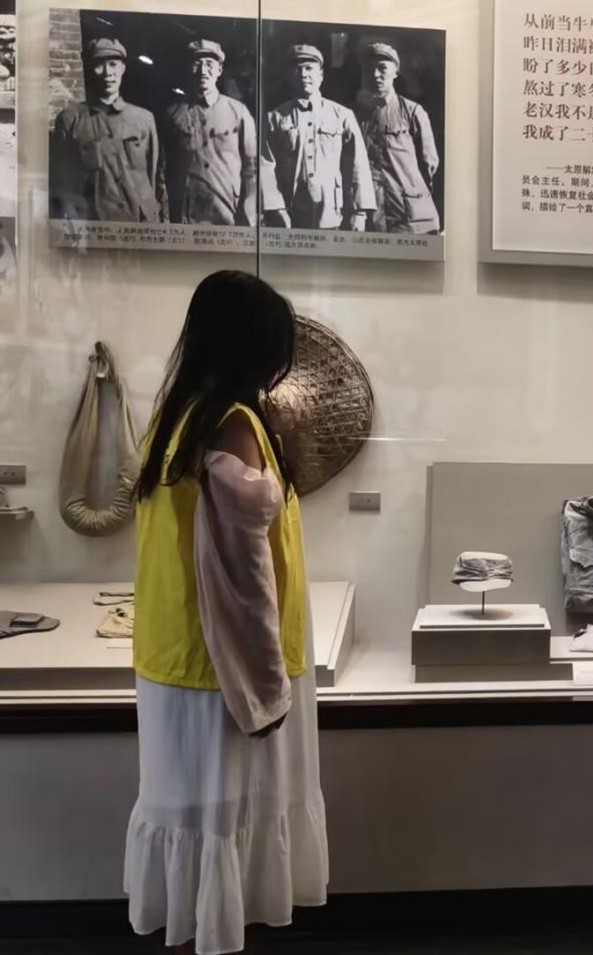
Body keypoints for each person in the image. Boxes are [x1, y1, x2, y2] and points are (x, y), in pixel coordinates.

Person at [126, 271, 328, 955]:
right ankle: (215, 939)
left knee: (191, 812)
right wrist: (265, 683)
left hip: (174, 652)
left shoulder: (175, 418)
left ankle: (198, 931)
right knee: (224, 817)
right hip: (226, 664)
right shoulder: (234, 425)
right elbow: (245, 574)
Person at [259, 45, 375, 231]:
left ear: (321, 75)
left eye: (309, 68)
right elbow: (266, 165)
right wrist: (276, 208)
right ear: (290, 76)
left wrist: (360, 212)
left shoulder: (342, 115)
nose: (303, 74)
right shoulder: (275, 117)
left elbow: (358, 164)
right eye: (298, 69)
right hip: (290, 213)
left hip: (333, 212)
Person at [50, 37, 165, 222]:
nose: (107, 73)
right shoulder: (70, 119)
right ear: (90, 69)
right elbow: (61, 184)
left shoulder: (144, 119)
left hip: (140, 223)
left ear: (123, 69)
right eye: (99, 65)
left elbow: (155, 177)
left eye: (113, 65)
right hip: (95, 225)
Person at [160, 40, 257, 225]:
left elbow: (252, 168)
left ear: (219, 70)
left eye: (210, 64)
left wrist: (250, 208)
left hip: (226, 214)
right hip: (185, 216)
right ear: (189, 68)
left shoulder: (238, 112)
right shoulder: (172, 114)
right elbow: (162, 170)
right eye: (197, 64)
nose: (203, 71)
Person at [355, 41, 441, 234]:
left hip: (409, 216)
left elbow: (429, 164)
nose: (375, 75)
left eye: (382, 68)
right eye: (370, 69)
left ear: (396, 72)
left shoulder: (413, 112)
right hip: (371, 216)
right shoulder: (355, 115)